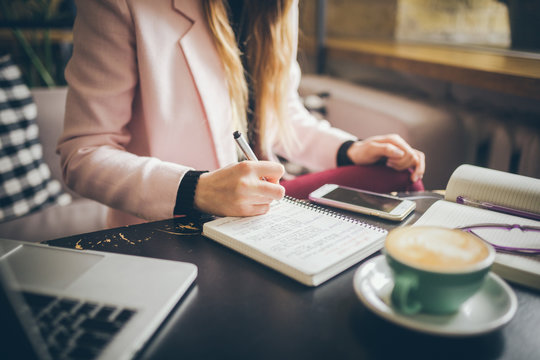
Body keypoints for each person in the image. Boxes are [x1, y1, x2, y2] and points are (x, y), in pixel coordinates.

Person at [57, 0, 425, 228]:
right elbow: (83, 154)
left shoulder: (280, 6)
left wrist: (350, 149)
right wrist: (196, 189)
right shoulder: (122, 4)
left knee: (396, 172)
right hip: (178, 224)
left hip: (257, 213)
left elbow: (283, 114)